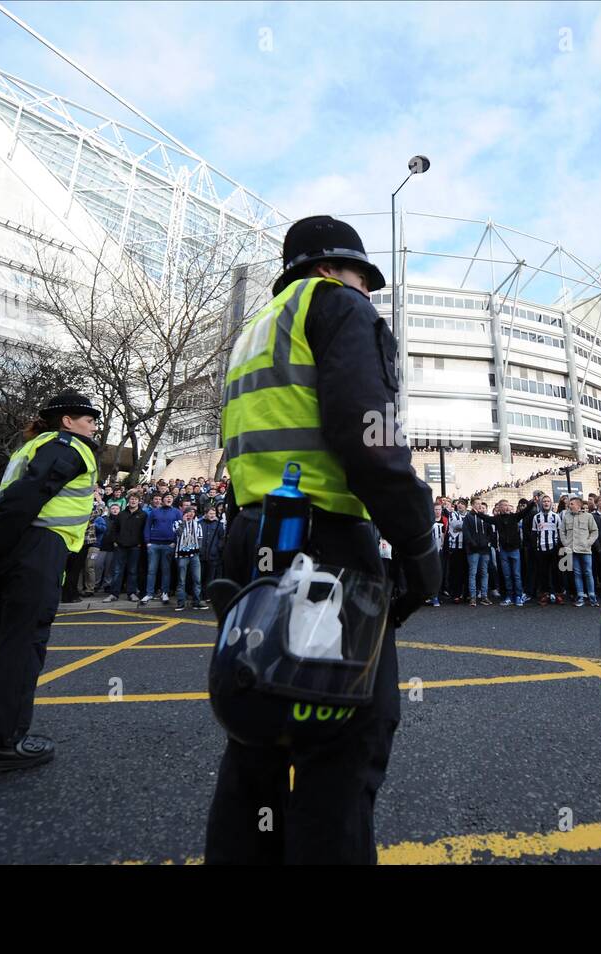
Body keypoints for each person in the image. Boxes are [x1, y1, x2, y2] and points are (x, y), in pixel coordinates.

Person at [205, 214, 440, 864]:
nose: (368, 293)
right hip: (327, 555)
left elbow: (245, 450)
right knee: (341, 746)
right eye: (365, 279)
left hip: (256, 539)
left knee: (259, 735)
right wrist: (420, 548)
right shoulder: (338, 309)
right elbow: (369, 439)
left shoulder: (254, 332)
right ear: (337, 269)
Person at [0, 391, 100, 774]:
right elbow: (27, 496)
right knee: (21, 646)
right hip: (37, 548)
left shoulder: (33, 446)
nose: (93, 425)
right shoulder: (67, 445)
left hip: (17, 547)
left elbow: (5, 499)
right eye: (88, 418)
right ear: (67, 420)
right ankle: (3, 743)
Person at [560, 496, 598, 607]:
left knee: (588, 573)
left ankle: (592, 597)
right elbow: (562, 531)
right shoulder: (566, 517)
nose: (569, 505)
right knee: (577, 574)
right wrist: (566, 544)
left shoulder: (588, 516)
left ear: (578, 505)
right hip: (572, 550)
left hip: (585, 550)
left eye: (572, 503)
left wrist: (588, 543)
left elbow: (594, 531)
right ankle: (580, 597)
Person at [461, 498, 493, 607]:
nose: (480, 505)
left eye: (481, 504)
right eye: (477, 504)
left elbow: (490, 532)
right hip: (473, 550)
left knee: (484, 573)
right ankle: (473, 598)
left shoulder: (484, 517)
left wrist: (487, 542)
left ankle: (484, 596)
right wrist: (473, 543)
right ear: (472, 505)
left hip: (484, 550)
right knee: (473, 573)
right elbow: (466, 533)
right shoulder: (468, 517)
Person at [173, 507, 203, 610]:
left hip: (194, 555)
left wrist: (198, 550)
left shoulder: (197, 524)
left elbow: (200, 539)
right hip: (182, 555)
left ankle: (197, 602)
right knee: (181, 580)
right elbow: (178, 533)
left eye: (192, 512)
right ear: (184, 514)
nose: (190, 514)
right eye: (188, 512)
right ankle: (181, 602)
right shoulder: (177, 523)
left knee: (197, 579)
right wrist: (184, 523)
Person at [197, 505, 225, 608]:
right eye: (210, 513)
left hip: (213, 556)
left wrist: (218, 548)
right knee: (200, 577)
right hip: (201, 555)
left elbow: (222, 538)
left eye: (214, 513)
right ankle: (199, 596)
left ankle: (207, 596)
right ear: (205, 513)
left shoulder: (219, 525)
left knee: (210, 577)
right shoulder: (199, 523)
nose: (212, 515)